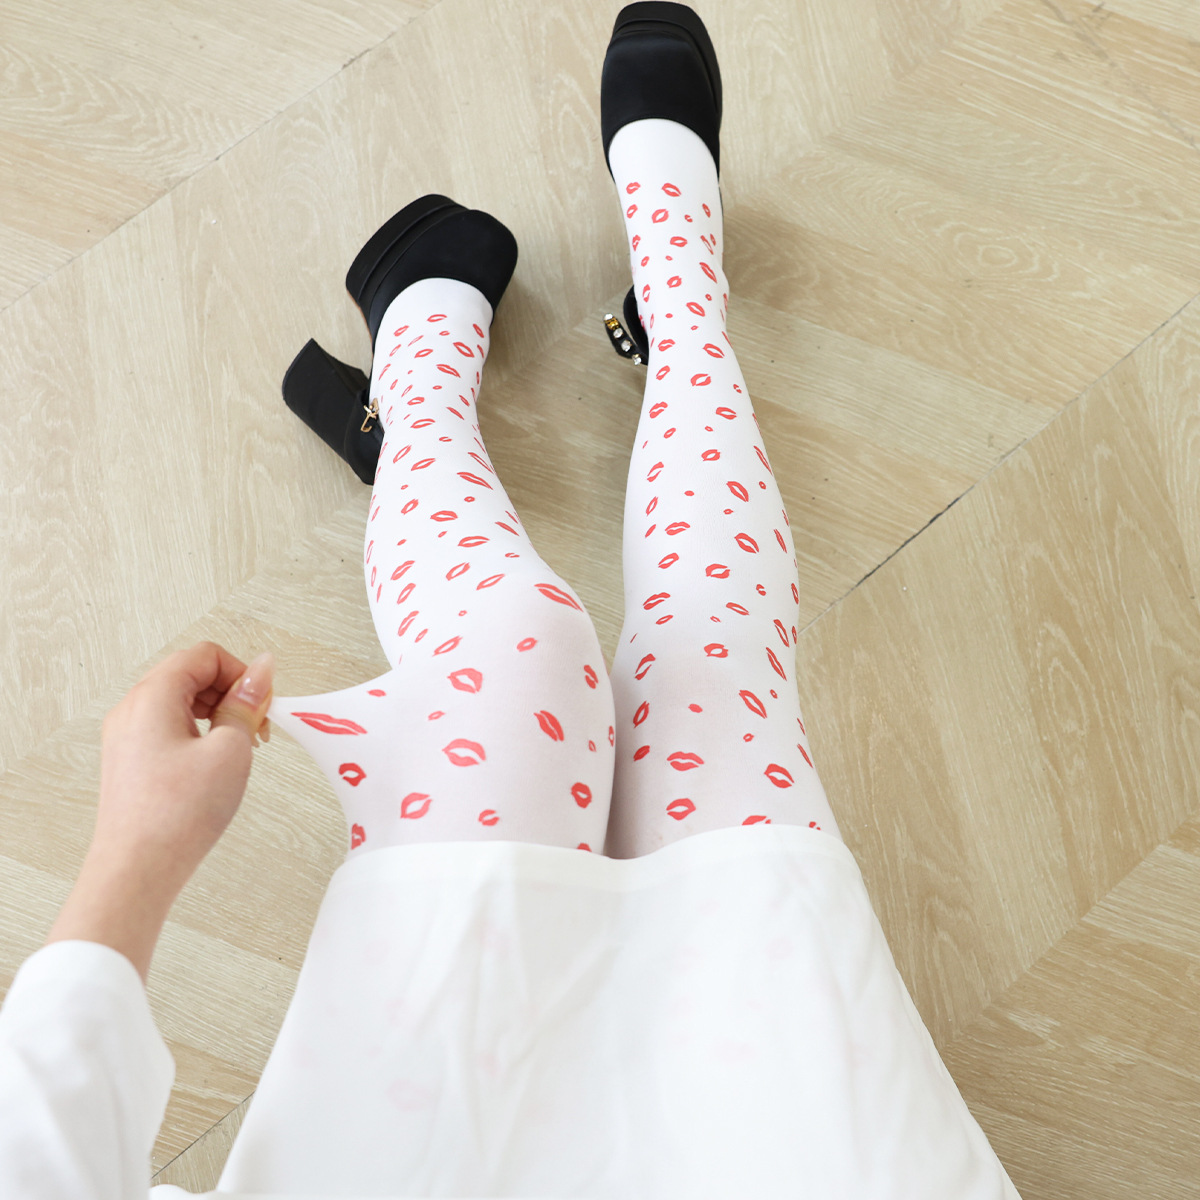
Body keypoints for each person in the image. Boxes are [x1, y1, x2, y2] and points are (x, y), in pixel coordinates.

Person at [0, 4, 1024, 1197]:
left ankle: (420, 408)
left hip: (427, 1116)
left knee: (526, 654)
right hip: (776, 1119)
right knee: (712, 667)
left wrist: (135, 845)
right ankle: (681, 289)